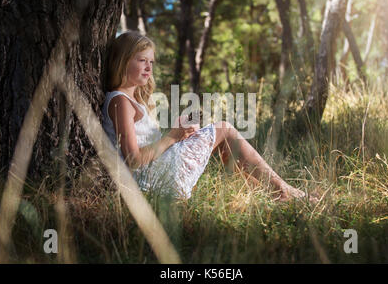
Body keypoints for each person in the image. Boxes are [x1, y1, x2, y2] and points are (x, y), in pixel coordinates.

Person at [102, 30, 315, 202]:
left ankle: (275, 194)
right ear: (123, 61)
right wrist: (174, 137)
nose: (149, 67)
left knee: (222, 138)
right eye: (142, 60)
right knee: (224, 129)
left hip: (155, 172)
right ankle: (283, 191)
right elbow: (133, 159)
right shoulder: (120, 101)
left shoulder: (132, 100)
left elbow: (146, 146)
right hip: (151, 179)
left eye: (152, 62)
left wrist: (179, 134)